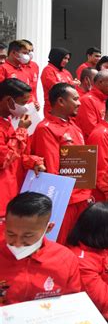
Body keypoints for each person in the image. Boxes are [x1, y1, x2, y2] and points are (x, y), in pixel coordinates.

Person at [31, 83, 92, 244]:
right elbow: (51, 170)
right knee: (63, 244)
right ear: (61, 101)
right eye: (75, 99)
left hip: (82, 197)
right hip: (66, 201)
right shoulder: (46, 129)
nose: (79, 103)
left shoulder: (74, 126)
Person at [0, 192, 81, 306]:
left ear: (48, 228)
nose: (17, 243)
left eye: (27, 236)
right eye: (11, 234)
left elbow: (71, 302)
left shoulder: (65, 259)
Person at [0, 79, 45, 219]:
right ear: (9, 100)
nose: (26, 108)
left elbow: (16, 155)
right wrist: (21, 130)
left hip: (11, 192)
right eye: (23, 103)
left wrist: (32, 162)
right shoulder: (16, 125)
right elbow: (3, 159)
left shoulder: (8, 121)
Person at [76, 70, 108, 139]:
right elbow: (91, 129)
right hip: (93, 145)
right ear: (100, 82)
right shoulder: (87, 100)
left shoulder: (106, 100)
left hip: (106, 140)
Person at [41, 47, 76, 115]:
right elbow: (56, 88)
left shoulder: (66, 72)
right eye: (64, 58)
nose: (66, 61)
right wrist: (71, 83)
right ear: (57, 57)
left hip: (67, 107)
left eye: (68, 59)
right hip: (53, 108)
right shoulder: (48, 70)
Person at [21, 39, 40, 109]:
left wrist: (35, 101)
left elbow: (34, 88)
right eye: (28, 51)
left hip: (32, 104)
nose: (30, 53)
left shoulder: (35, 66)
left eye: (32, 51)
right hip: (20, 104)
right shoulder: (17, 66)